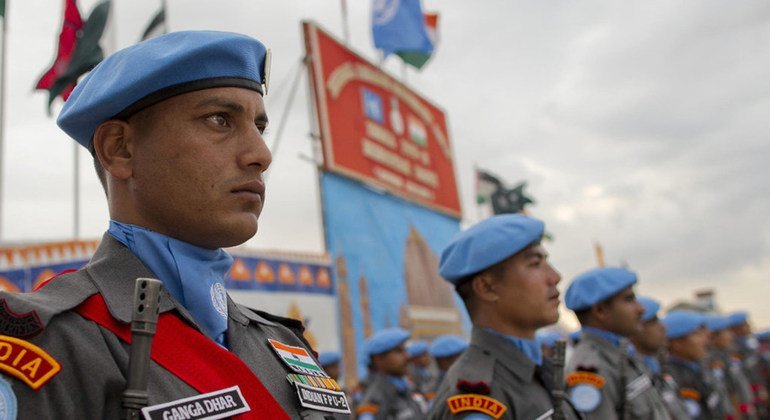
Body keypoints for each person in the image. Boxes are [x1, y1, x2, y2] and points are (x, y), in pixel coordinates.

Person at [0, 31, 350, 418]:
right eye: (220, 120)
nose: (261, 155)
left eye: (260, 127)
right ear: (120, 148)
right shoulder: (56, 343)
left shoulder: (285, 346)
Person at [427, 214, 579, 419]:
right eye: (535, 264)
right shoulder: (480, 397)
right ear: (487, 287)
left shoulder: (537, 370)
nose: (555, 277)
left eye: (546, 262)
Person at [564, 267, 671, 419]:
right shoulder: (591, 369)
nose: (641, 309)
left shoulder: (621, 352)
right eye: (629, 299)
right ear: (600, 311)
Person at [629, 296, 690, 419]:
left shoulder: (658, 368)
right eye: (653, 321)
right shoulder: (630, 374)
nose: (663, 327)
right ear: (635, 328)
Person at [662, 310, 727, 419]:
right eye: (697, 334)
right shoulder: (670, 376)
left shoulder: (699, 366)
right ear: (677, 344)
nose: (705, 340)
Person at [355, 328, 425, 419]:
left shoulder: (406, 390)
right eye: (398, 351)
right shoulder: (373, 402)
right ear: (378, 359)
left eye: (405, 350)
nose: (408, 356)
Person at [705, 314, 756, 418]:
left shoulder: (725, 354)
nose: (731, 336)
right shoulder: (711, 360)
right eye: (726, 332)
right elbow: (726, 389)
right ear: (713, 337)